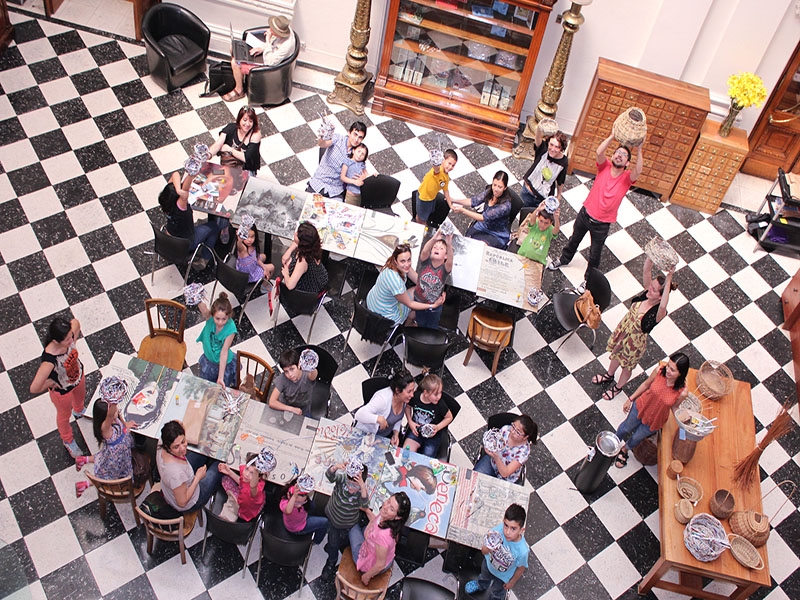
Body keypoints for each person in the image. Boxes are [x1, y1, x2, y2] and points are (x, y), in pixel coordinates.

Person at [549, 132, 645, 276]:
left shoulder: (626, 178)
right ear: (612, 156)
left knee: (595, 254)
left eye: (624, 155)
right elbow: (599, 152)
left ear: (627, 163)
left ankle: (588, 279)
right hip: (585, 214)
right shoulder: (604, 166)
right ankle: (563, 259)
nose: (619, 155)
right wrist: (613, 135)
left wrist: (639, 149)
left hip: (602, 224)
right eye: (617, 152)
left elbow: (638, 170)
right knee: (573, 240)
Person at [593, 256, 677, 400]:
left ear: (660, 296)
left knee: (626, 367)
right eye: (651, 286)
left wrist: (669, 278)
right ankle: (609, 374)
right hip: (623, 332)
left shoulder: (657, 313)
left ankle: (618, 387)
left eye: (654, 289)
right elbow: (646, 270)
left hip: (634, 343)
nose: (650, 289)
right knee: (615, 356)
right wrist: (652, 256)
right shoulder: (646, 294)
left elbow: (663, 304)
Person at [614, 353, 689, 468]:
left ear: (681, 373)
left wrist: (683, 420)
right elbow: (646, 384)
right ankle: (613, 443)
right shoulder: (659, 371)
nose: (668, 370)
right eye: (668, 366)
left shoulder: (682, 392)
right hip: (641, 407)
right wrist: (631, 398)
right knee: (625, 428)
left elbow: (674, 406)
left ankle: (625, 449)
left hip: (656, 419)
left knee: (637, 437)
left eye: (672, 370)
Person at [30, 317, 86, 458]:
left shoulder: (70, 336)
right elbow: (34, 388)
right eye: (67, 339)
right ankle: (68, 440)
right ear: (56, 341)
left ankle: (79, 410)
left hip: (78, 378)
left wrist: (73, 341)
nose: (71, 340)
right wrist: (49, 383)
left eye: (71, 336)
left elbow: (76, 322)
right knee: (64, 415)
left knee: (80, 397)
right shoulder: (50, 360)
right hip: (62, 392)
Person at [75, 383, 137, 497]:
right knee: (109, 476)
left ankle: (84, 460)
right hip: (116, 458)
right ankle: (84, 484)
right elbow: (111, 414)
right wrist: (114, 399)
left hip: (122, 452)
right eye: (112, 410)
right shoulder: (105, 427)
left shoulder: (114, 416)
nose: (115, 412)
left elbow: (117, 414)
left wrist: (126, 424)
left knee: (101, 457)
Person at [159, 170, 226, 272]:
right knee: (214, 227)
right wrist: (191, 175)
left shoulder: (166, 201)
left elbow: (175, 175)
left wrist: (177, 190)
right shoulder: (180, 206)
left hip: (169, 238)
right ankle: (204, 259)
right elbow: (184, 181)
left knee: (201, 225)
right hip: (186, 242)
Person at [366, 243, 446, 326]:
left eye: (409, 260)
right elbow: (410, 304)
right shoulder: (396, 282)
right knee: (416, 307)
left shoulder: (392, 264)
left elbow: (418, 280)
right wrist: (432, 305)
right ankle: (407, 326)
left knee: (419, 291)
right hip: (386, 317)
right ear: (395, 261)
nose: (407, 264)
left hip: (373, 302)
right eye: (403, 261)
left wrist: (434, 289)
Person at [224, 15, 296, 102]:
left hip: (269, 63)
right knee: (233, 48)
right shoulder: (285, 29)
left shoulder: (286, 46)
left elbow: (270, 62)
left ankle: (239, 90)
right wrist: (262, 48)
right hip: (268, 53)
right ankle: (239, 76)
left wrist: (268, 40)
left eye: (273, 30)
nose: (269, 30)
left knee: (235, 62)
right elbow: (274, 44)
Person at [465, 503, 529, 600]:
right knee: (483, 577)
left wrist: (511, 582)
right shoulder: (497, 531)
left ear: (521, 530)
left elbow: (521, 568)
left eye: (513, 529)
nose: (507, 532)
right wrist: (488, 548)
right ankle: (480, 585)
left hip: (503, 577)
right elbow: (484, 551)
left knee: (497, 592)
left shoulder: (523, 551)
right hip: (488, 565)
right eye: (506, 525)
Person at [156, 420, 222, 512]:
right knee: (220, 466)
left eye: (183, 441)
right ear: (167, 447)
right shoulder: (175, 474)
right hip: (190, 500)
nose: (183, 448)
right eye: (176, 446)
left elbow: (177, 423)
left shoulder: (162, 441)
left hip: (177, 483)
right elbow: (182, 502)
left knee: (205, 448)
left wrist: (179, 426)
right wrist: (197, 478)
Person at [348, 492, 411, 586]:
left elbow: (380, 564)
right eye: (388, 501)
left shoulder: (383, 537)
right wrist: (367, 510)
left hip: (368, 562)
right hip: (379, 551)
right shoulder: (387, 519)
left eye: (391, 509)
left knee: (350, 525)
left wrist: (366, 576)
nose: (385, 507)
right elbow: (376, 521)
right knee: (364, 528)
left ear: (397, 517)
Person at [322, 459, 369, 577]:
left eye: (355, 485)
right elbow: (329, 476)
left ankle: (338, 545)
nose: (351, 488)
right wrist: (336, 467)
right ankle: (331, 561)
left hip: (348, 522)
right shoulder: (342, 480)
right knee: (333, 543)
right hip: (333, 518)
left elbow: (365, 505)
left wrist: (362, 488)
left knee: (342, 539)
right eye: (349, 483)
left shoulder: (361, 492)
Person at [451, 170, 513, 249]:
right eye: (494, 185)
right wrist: (454, 200)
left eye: (499, 187)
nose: (496, 189)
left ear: (505, 188)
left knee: (480, 247)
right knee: (467, 241)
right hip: (483, 226)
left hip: (496, 234)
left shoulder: (505, 206)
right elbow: (474, 201)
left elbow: (483, 218)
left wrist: (463, 210)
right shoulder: (490, 191)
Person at [354, 370, 416, 447]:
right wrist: (378, 418)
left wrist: (396, 433)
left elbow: (398, 418)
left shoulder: (404, 399)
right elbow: (359, 415)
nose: (412, 395)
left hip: (383, 439)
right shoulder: (382, 399)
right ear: (397, 390)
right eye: (409, 391)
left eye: (413, 390)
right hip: (366, 436)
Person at [308, 121, 367, 199]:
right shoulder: (338, 138)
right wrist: (323, 135)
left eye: (360, 137)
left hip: (336, 190)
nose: (356, 139)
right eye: (355, 134)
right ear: (349, 132)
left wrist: (368, 177)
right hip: (319, 182)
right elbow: (322, 144)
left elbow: (363, 172)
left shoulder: (358, 152)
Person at [474, 415, 537, 484]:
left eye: (518, 432)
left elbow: (505, 473)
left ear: (525, 437)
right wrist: (489, 446)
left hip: (507, 478)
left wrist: (496, 457)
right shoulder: (506, 429)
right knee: (473, 480)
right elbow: (495, 441)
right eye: (513, 426)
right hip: (492, 463)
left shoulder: (524, 452)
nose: (512, 432)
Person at [513, 200, 561, 290]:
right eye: (541, 221)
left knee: (531, 287)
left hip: (538, 262)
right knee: (516, 279)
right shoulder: (535, 224)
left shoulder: (550, 230)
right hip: (523, 256)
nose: (542, 225)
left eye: (546, 223)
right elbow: (532, 219)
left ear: (551, 223)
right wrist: (538, 209)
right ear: (538, 218)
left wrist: (556, 218)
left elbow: (556, 231)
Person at [403, 373, 453, 457]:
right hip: (416, 432)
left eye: (440, 393)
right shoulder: (415, 397)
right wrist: (410, 421)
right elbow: (407, 407)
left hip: (432, 437)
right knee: (405, 454)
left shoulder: (440, 404)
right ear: (425, 393)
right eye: (436, 394)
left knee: (425, 462)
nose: (439, 397)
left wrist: (437, 427)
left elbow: (449, 417)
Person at [412, 230, 453, 329]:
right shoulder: (425, 262)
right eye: (435, 247)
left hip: (435, 304)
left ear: (445, 256)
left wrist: (448, 244)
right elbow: (425, 251)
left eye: (441, 248)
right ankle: (420, 331)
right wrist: (434, 238)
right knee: (420, 321)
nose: (437, 248)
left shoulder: (444, 269)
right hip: (418, 301)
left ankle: (430, 338)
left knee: (432, 325)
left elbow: (450, 260)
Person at [196, 292, 237, 388]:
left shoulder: (231, 329)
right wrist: (196, 297)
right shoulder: (209, 318)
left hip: (223, 364)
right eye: (217, 318)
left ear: (229, 316)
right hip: (209, 360)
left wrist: (220, 377)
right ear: (212, 315)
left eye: (224, 319)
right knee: (207, 388)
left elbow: (224, 352)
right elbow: (204, 309)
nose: (220, 322)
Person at [520, 127, 569, 207]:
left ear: (561, 148)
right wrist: (540, 127)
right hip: (528, 192)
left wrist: (559, 195)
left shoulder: (563, 161)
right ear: (548, 143)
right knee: (523, 214)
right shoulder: (543, 149)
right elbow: (538, 137)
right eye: (551, 145)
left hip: (542, 198)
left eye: (557, 147)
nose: (553, 149)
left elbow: (561, 180)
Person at [217, 452, 271, 522]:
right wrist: (229, 472)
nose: (247, 474)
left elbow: (252, 487)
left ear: (258, 477)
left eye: (252, 473)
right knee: (226, 478)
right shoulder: (247, 478)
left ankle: (233, 506)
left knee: (226, 480)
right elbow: (242, 483)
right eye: (246, 469)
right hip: (245, 501)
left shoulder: (255, 489)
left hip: (244, 512)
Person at [208, 106, 262, 174]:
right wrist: (208, 155)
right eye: (245, 120)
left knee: (233, 181)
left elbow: (247, 158)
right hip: (229, 167)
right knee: (213, 175)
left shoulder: (255, 135)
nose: (247, 124)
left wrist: (229, 150)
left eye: (250, 121)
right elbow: (218, 145)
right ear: (239, 119)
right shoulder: (231, 128)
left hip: (246, 169)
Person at [279, 222, 329, 294]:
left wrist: (286, 273)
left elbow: (290, 286)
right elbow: (296, 243)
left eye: (297, 235)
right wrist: (289, 251)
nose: (295, 233)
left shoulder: (302, 261)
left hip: (309, 289)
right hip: (319, 277)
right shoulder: (313, 246)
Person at [268, 348, 318, 417]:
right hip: (285, 408)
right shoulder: (282, 379)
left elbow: (313, 375)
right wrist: (292, 409)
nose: (290, 374)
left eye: (292, 369)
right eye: (286, 371)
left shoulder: (307, 375)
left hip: (304, 409)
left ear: (299, 365)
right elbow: (272, 402)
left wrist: (312, 365)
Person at [280, 474, 329, 544]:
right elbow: (288, 510)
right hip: (297, 528)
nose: (305, 497)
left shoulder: (302, 501)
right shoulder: (284, 504)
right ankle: (316, 541)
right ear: (288, 495)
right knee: (325, 522)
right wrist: (294, 497)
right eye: (296, 500)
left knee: (312, 505)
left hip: (301, 518)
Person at [415, 148, 457, 225]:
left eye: (453, 165)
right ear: (443, 161)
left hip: (431, 198)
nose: (450, 167)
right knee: (421, 219)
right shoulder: (439, 170)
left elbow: (446, 191)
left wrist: (450, 205)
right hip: (424, 198)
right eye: (449, 163)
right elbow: (436, 169)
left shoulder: (446, 176)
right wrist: (435, 161)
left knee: (426, 216)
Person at [235, 220, 274, 292]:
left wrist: (264, 267)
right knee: (272, 267)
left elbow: (256, 257)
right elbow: (239, 246)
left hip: (251, 264)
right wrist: (239, 240)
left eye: (252, 236)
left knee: (264, 256)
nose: (250, 240)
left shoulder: (252, 246)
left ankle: (264, 273)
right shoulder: (243, 249)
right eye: (247, 237)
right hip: (248, 274)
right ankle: (264, 286)